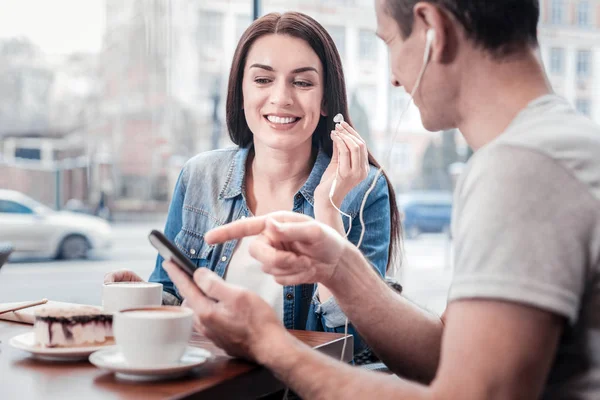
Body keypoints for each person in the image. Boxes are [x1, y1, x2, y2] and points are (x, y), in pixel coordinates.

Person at [163, 0, 600, 398]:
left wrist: (269, 344)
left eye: (389, 41)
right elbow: (446, 354)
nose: (392, 76)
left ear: (432, 29)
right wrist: (339, 267)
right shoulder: (548, 146)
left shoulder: (523, 166)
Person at [105, 11, 402, 358]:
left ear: (325, 101)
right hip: (205, 381)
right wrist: (143, 296)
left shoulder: (363, 189)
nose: (281, 98)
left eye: (302, 83)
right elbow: (175, 294)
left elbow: (355, 346)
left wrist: (328, 208)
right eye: (263, 80)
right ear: (241, 90)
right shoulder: (200, 175)